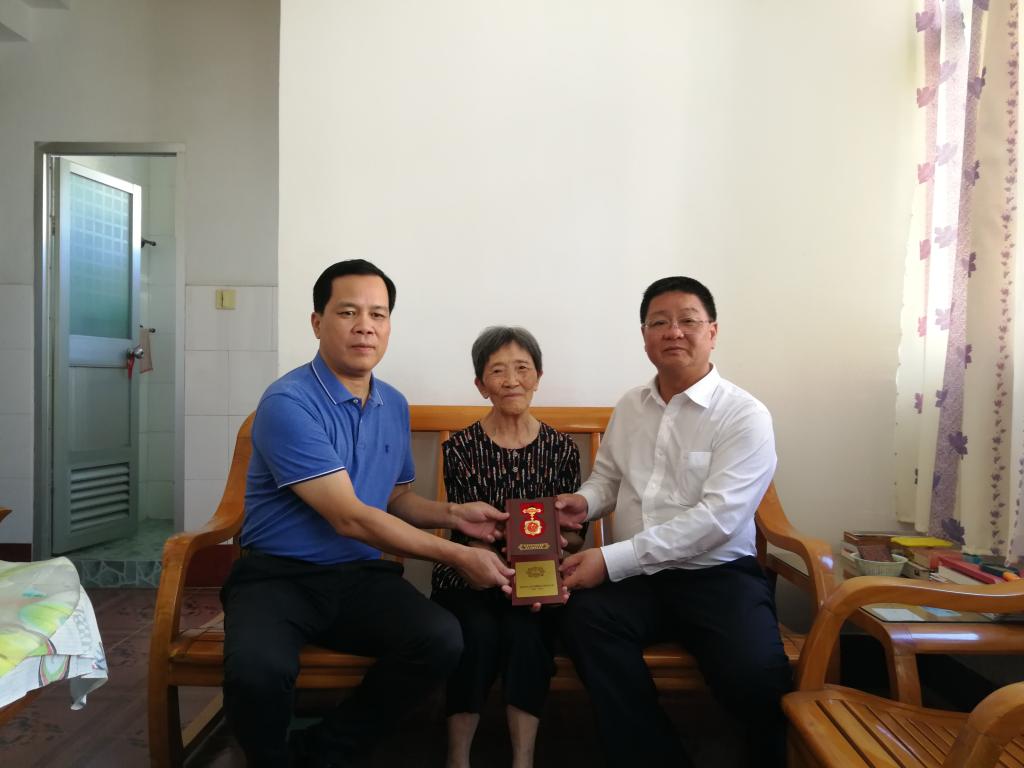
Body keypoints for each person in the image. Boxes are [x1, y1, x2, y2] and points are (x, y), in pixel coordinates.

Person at [221, 259, 515, 768]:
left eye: (378, 314)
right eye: (348, 312)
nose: (365, 326)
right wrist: (458, 555)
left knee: (441, 639)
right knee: (256, 670)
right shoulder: (288, 402)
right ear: (318, 322)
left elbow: (394, 499)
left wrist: (455, 514)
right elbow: (350, 518)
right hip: (277, 578)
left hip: (358, 577)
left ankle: (321, 753)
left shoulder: (392, 404)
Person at [557, 276, 791, 768]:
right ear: (645, 336)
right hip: (639, 581)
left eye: (688, 320)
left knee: (756, 676)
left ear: (713, 332)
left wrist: (611, 559)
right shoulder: (631, 406)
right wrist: (582, 502)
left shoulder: (744, 415)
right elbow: (608, 479)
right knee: (584, 621)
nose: (674, 332)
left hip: (717, 577)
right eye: (659, 322)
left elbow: (718, 520)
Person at [431, 326, 582, 768]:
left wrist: (558, 541)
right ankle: (457, 756)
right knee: (475, 633)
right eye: (498, 371)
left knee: (528, 634)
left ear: (538, 377)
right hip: (471, 573)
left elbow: (576, 535)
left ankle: (523, 758)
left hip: (539, 578)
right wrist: (497, 552)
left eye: (522, 368)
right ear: (481, 384)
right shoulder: (461, 448)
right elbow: (465, 534)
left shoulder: (561, 449)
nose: (511, 380)